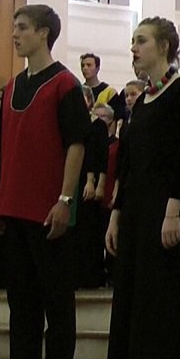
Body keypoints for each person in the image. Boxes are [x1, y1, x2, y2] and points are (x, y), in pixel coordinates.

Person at [0, 4, 89, 359]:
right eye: (15, 28)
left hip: (48, 210)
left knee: (56, 302)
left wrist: (64, 200)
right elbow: (3, 149)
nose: (15, 35)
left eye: (22, 28)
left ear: (44, 33)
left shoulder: (64, 84)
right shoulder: (10, 88)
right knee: (21, 303)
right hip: (13, 207)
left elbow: (76, 144)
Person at [102, 16, 180, 359]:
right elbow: (127, 165)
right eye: (132, 41)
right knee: (132, 298)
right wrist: (115, 215)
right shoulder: (142, 99)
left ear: (164, 47)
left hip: (168, 210)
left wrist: (174, 210)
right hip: (136, 212)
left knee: (163, 303)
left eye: (141, 41)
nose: (134, 48)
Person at [78, 93, 112, 289]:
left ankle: (92, 276)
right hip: (78, 179)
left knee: (91, 230)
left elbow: (100, 157)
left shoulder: (97, 125)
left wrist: (97, 183)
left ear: (89, 101)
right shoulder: (77, 124)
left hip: (92, 181)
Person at [80, 53, 128, 123]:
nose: (85, 68)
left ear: (97, 68)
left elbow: (114, 119)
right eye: (83, 65)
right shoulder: (78, 91)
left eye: (89, 65)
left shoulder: (110, 92)